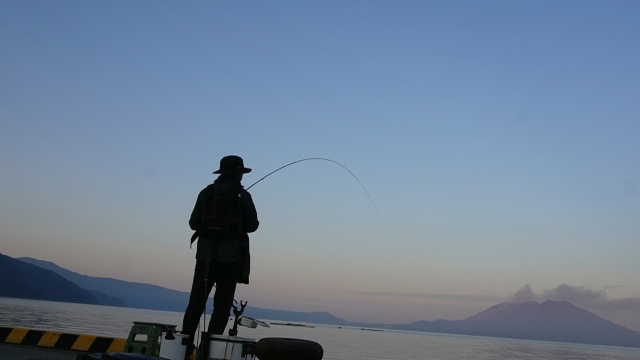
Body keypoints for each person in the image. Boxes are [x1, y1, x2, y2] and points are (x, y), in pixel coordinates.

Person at [181, 155, 259, 343]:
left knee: (195, 304)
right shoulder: (244, 196)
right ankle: (208, 350)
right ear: (239, 175)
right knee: (222, 307)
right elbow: (253, 226)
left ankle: (184, 346)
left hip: (205, 258)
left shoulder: (206, 193)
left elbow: (192, 223)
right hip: (231, 260)